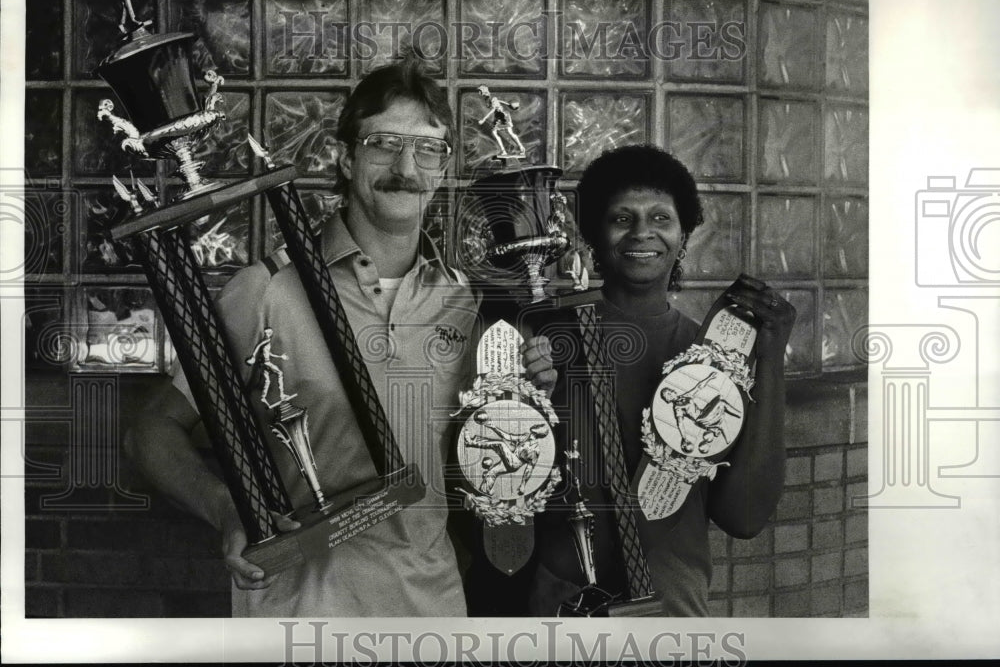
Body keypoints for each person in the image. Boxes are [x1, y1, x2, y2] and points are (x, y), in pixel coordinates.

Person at [126, 58, 554, 617]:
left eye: (428, 148)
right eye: (384, 143)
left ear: (443, 168)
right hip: (296, 616)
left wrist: (530, 399)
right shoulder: (266, 290)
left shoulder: (472, 307)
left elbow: (489, 467)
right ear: (346, 157)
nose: (406, 166)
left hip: (431, 615)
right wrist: (228, 509)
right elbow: (150, 431)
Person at [525, 144, 795, 616]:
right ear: (593, 232)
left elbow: (744, 517)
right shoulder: (545, 341)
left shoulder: (711, 357)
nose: (643, 232)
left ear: (684, 233)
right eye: (622, 218)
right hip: (563, 609)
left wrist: (770, 363)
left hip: (671, 614)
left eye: (660, 218)